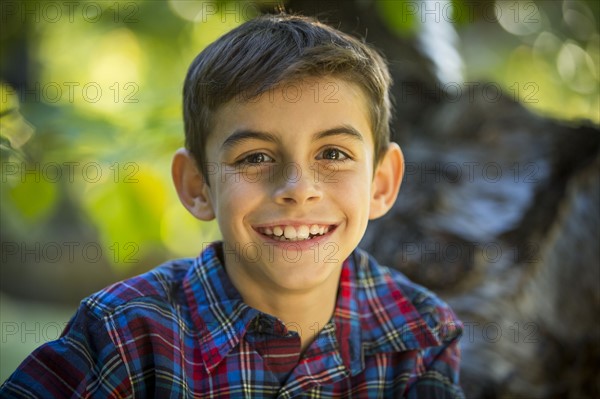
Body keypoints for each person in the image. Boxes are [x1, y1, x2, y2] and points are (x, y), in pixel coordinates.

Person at [0, 13, 464, 398]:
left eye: (333, 154)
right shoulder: (125, 331)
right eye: (255, 157)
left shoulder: (420, 334)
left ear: (382, 183)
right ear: (197, 185)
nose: (298, 189)